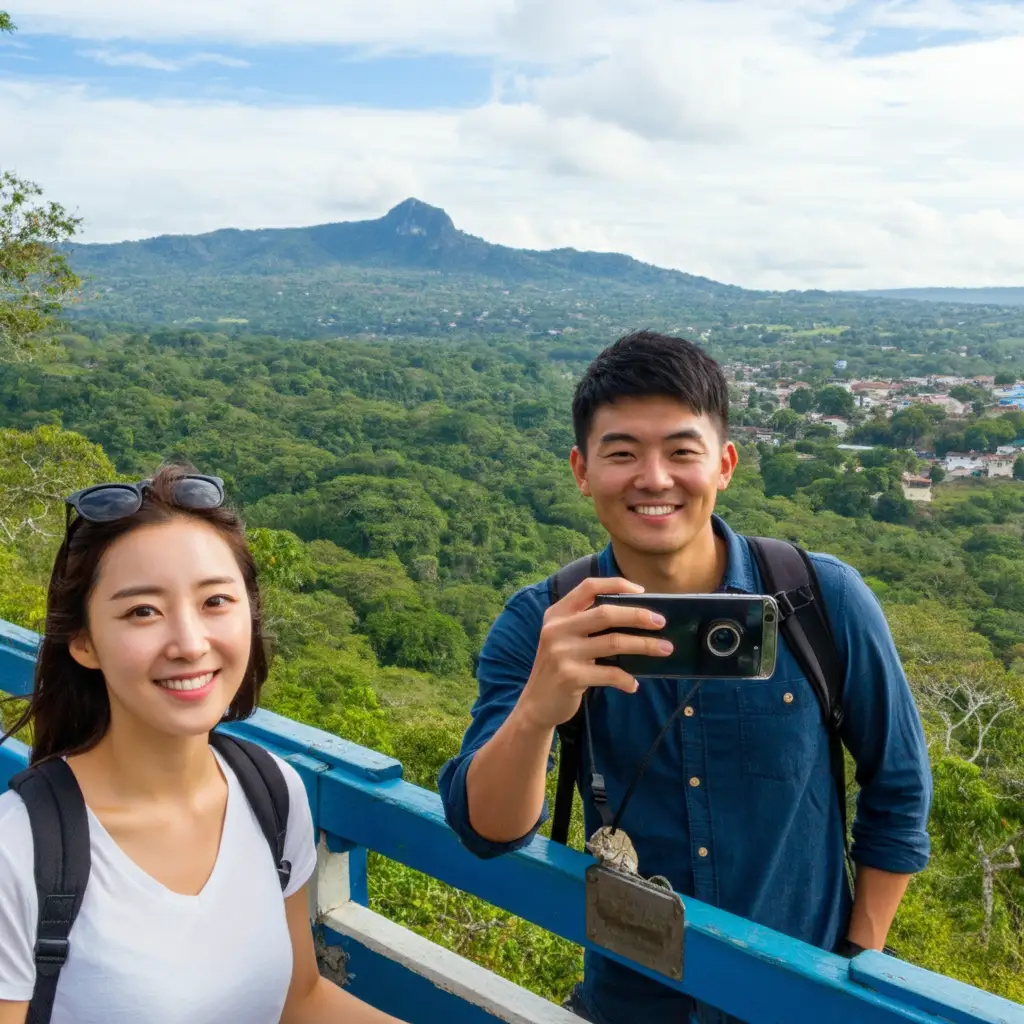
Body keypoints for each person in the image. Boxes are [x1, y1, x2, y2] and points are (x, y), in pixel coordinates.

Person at [438, 331, 933, 1024]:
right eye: (621, 453)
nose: (654, 478)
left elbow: (899, 787)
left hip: (799, 1000)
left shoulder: (820, 601)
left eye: (681, 451)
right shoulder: (542, 623)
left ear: (724, 463)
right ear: (581, 470)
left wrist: (855, 959)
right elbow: (485, 830)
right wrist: (538, 710)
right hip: (632, 1003)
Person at [0, 465, 406, 1024]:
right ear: (84, 642)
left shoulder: (271, 791)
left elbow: (300, 1000)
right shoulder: (20, 850)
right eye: (143, 611)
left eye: (215, 601)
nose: (190, 644)